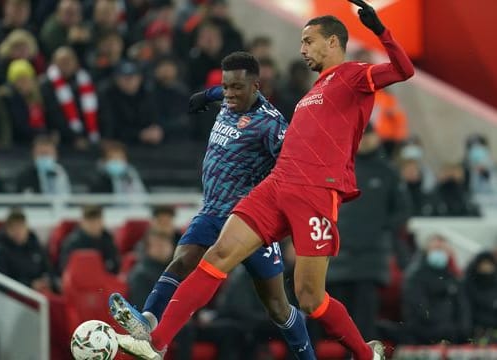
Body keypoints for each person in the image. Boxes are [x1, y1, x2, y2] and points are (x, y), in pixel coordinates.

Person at [113, 1, 414, 359]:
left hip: (315, 193)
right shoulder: (314, 91)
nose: (302, 49)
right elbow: (244, 96)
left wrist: (381, 31)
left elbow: (403, 69)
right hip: (276, 185)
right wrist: (211, 95)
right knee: (219, 253)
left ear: (333, 42)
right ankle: (156, 343)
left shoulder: (353, 76)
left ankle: (366, 354)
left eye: (308, 41)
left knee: (310, 298)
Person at [110, 51, 317, 360]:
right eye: (225, 86)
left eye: (236, 88)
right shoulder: (230, 96)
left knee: (277, 307)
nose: (229, 94)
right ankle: (148, 321)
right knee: (181, 260)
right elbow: (223, 91)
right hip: (211, 210)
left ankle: (307, 356)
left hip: (249, 222)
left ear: (256, 87)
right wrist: (206, 95)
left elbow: (294, 166)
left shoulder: (271, 125)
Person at [326, 124, 411, 340]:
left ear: (377, 138)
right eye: (360, 135)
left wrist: (379, 227)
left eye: (368, 135)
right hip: (338, 257)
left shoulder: (388, 172)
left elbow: (403, 210)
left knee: (364, 322)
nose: (364, 140)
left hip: (371, 259)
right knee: (338, 323)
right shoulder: (339, 166)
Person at [0, 208, 53, 291]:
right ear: (7, 229)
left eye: (21, 226)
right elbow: (2, 283)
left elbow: (48, 269)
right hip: (15, 297)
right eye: (14, 228)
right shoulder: (0, 251)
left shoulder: (35, 245)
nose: (18, 231)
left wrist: (48, 280)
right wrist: (30, 285)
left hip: (41, 293)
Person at [58, 205, 119, 274]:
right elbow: (65, 267)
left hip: (103, 279)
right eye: (90, 221)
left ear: (102, 221)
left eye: (96, 220)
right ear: (82, 222)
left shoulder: (107, 239)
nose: (94, 225)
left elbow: (115, 263)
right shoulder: (73, 242)